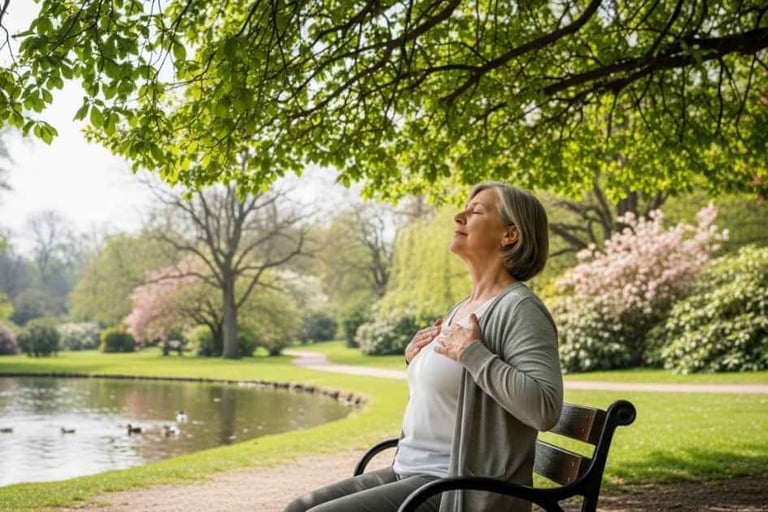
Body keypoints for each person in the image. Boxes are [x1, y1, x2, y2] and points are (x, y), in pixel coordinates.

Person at [284, 182, 563, 512]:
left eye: (476, 211)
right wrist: (416, 359)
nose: (459, 216)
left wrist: (472, 354)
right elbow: (449, 388)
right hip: (409, 470)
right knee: (297, 509)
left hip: (456, 486)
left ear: (510, 235)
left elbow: (544, 408)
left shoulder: (519, 308)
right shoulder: (462, 307)